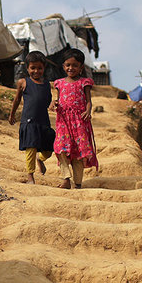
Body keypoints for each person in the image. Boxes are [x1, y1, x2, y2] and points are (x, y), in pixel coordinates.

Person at [52, 49, 98, 189]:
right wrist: (54, 103)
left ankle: (78, 183)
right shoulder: (59, 83)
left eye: (74, 65)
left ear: (81, 67)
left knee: (78, 152)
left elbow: (89, 101)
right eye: (67, 65)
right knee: (61, 148)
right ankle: (66, 178)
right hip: (63, 121)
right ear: (63, 66)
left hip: (79, 121)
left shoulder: (85, 82)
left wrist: (88, 110)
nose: (70, 68)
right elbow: (58, 99)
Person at [8, 51, 56, 184]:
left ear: (44, 68)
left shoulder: (47, 84)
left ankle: (40, 159)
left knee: (49, 149)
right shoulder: (23, 82)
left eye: (39, 68)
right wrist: (12, 114)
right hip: (29, 121)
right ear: (27, 68)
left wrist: (53, 104)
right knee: (30, 148)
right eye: (32, 68)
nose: (36, 71)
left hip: (43, 121)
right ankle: (30, 176)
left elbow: (48, 101)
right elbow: (17, 100)